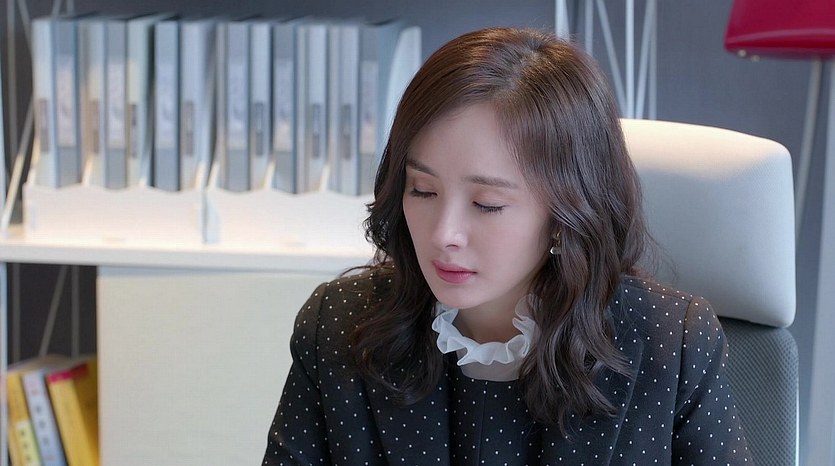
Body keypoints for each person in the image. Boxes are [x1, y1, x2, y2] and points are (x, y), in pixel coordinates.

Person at [262, 27, 753, 465]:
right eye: (423, 191)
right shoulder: (338, 324)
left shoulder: (671, 343)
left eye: (487, 204)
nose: (444, 233)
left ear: (565, 215)